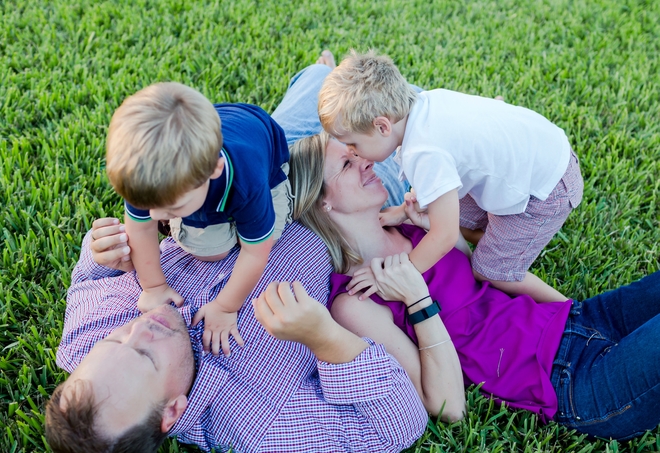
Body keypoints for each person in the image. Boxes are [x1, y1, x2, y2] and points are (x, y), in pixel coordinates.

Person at [44, 54, 428, 453]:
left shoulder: (80, 346)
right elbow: (399, 422)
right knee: (412, 116)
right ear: (172, 412)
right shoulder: (261, 428)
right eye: (145, 354)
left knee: (318, 82)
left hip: (256, 171)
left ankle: (325, 75)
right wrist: (324, 337)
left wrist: (101, 251)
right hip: (339, 206)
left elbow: (88, 278)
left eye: (115, 340)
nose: (142, 325)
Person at [288, 128, 660, 440]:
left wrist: (437, 232)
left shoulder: (408, 230)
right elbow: (446, 405)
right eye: (347, 164)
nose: (366, 161)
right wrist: (419, 300)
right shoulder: (356, 301)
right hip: (568, 381)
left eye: (358, 153)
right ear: (323, 203)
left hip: (577, 320)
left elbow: (477, 278)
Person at [317, 50, 584, 303]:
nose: (354, 154)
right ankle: (499, 239)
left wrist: (396, 275)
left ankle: (570, 309)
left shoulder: (424, 152)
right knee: (448, 214)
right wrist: (403, 211)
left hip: (544, 190)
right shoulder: (425, 104)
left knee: (489, 270)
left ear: (382, 126)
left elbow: (444, 237)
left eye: (353, 145)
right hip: (542, 152)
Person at [106, 82, 292, 354]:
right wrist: (154, 286)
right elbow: (140, 228)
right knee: (209, 250)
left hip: (266, 152)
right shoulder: (145, 173)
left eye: (171, 207)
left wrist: (225, 306)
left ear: (213, 171)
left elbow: (255, 252)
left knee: (269, 235)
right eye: (150, 206)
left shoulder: (247, 181)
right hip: (218, 141)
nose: (156, 217)